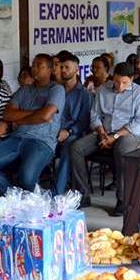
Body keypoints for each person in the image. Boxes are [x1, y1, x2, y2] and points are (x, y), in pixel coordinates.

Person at [0, 54, 65, 194]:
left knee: (26, 179)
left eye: (39, 65)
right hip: (16, 137)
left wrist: (20, 119)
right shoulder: (24, 90)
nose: (34, 68)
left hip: (42, 142)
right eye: (33, 65)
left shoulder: (56, 90)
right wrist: (36, 113)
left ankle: (21, 196)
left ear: (50, 70)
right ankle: (17, 196)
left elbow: (46, 115)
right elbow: (7, 114)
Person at [70, 62, 140, 215]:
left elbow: (138, 122)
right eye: (117, 81)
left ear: (132, 79)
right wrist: (101, 132)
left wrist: (115, 136)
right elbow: (94, 114)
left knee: (122, 149)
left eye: (124, 83)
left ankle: (122, 199)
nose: (119, 86)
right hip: (104, 132)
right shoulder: (103, 89)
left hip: (128, 135)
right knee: (76, 148)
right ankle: (83, 194)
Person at [54, 51, 92, 197]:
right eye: (61, 67)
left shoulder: (84, 94)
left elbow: (84, 122)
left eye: (67, 67)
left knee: (69, 146)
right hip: (53, 130)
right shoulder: (56, 90)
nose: (63, 70)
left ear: (76, 70)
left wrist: (68, 131)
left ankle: (57, 191)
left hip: (73, 133)